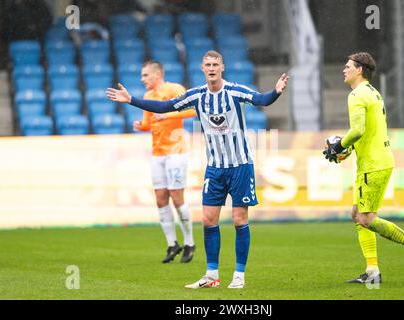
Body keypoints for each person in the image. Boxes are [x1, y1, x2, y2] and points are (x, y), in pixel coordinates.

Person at [107, 50, 289, 289]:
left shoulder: (235, 91)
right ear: (202, 69)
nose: (212, 68)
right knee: (207, 219)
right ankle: (211, 275)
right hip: (214, 168)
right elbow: (164, 107)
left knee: (238, 219)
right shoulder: (196, 95)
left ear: (222, 67)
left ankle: (239, 275)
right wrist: (132, 100)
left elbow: (261, 100)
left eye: (215, 64)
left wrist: (275, 91)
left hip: (240, 166)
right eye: (207, 65)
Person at [323, 52, 404, 284]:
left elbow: (358, 130)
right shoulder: (373, 92)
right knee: (357, 215)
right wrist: (347, 150)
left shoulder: (356, 95)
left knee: (366, 218)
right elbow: (368, 131)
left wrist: (338, 146)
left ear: (359, 70)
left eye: (348, 66)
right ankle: (372, 272)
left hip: (372, 165)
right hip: (377, 160)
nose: (344, 69)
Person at [135, 61, 197, 264]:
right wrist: (141, 126)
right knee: (161, 198)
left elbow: (193, 109)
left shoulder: (174, 89)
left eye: (145, 75)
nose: (142, 79)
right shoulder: (147, 97)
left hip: (176, 151)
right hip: (157, 152)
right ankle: (172, 244)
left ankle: (189, 242)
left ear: (157, 74)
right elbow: (149, 123)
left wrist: (167, 113)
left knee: (177, 198)